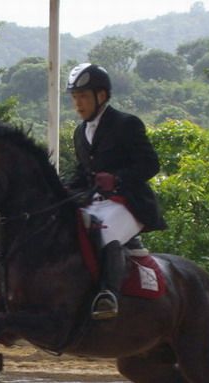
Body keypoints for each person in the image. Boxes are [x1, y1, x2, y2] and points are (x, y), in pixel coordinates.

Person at [64, 63, 166, 320]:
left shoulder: (126, 124)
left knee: (105, 232)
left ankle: (108, 295)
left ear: (102, 96)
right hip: (96, 201)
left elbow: (150, 164)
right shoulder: (80, 132)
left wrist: (118, 179)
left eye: (84, 97)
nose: (78, 104)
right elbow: (82, 173)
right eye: (75, 98)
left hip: (128, 202)